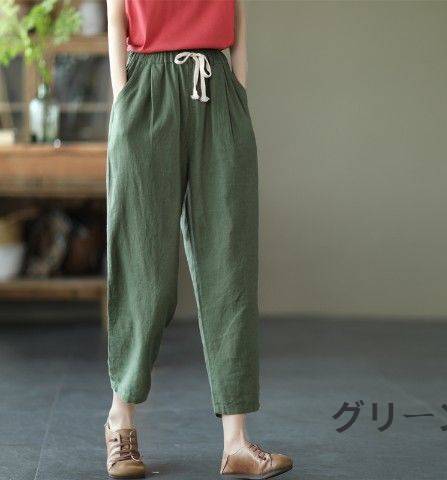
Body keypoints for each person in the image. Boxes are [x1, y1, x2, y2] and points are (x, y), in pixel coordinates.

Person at [105, 1, 293, 478]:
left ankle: (236, 443)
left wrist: (238, 91)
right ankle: (120, 419)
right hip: (147, 88)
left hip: (217, 88)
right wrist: (123, 98)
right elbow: (115, 16)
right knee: (144, 265)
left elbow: (239, 18)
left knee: (230, 265)